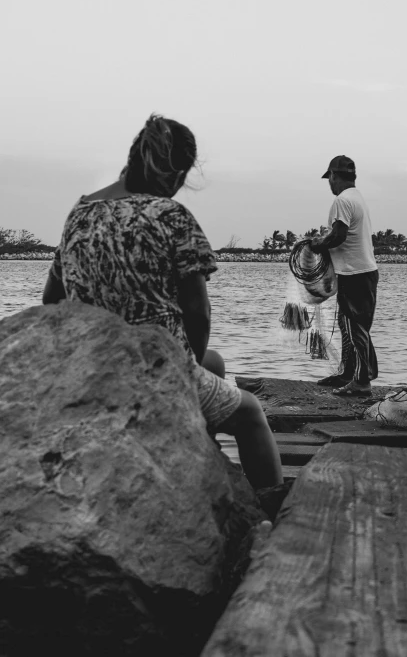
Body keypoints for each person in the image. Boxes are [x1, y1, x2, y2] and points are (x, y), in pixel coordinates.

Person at [43, 113, 282, 489]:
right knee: (250, 412)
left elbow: (51, 301)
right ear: (174, 174)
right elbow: (198, 314)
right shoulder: (171, 216)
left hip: (94, 364)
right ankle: (268, 507)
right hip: (151, 370)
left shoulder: (81, 211)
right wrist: (184, 376)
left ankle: (198, 458)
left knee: (214, 362)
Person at [310, 155, 378, 397]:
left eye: (329, 178)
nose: (330, 183)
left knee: (355, 326)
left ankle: (361, 382)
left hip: (355, 274)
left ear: (333, 176)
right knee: (347, 324)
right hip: (363, 272)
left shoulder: (342, 200)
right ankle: (348, 373)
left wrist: (317, 245)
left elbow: (338, 235)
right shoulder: (356, 197)